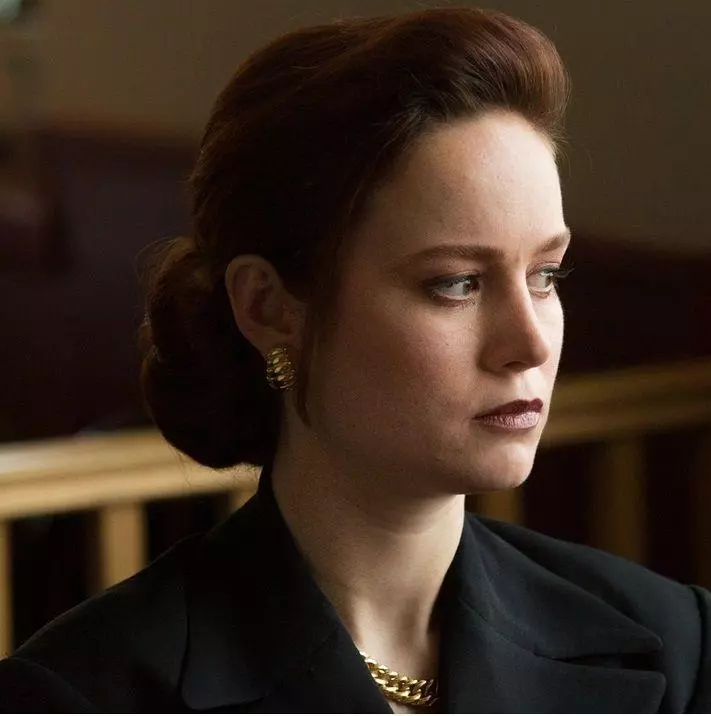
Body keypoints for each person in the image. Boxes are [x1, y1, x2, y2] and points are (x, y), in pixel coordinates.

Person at [1, 6, 709, 713]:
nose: (531, 344)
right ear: (268, 308)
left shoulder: (678, 644)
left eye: (545, 275)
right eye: (456, 283)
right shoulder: (78, 694)